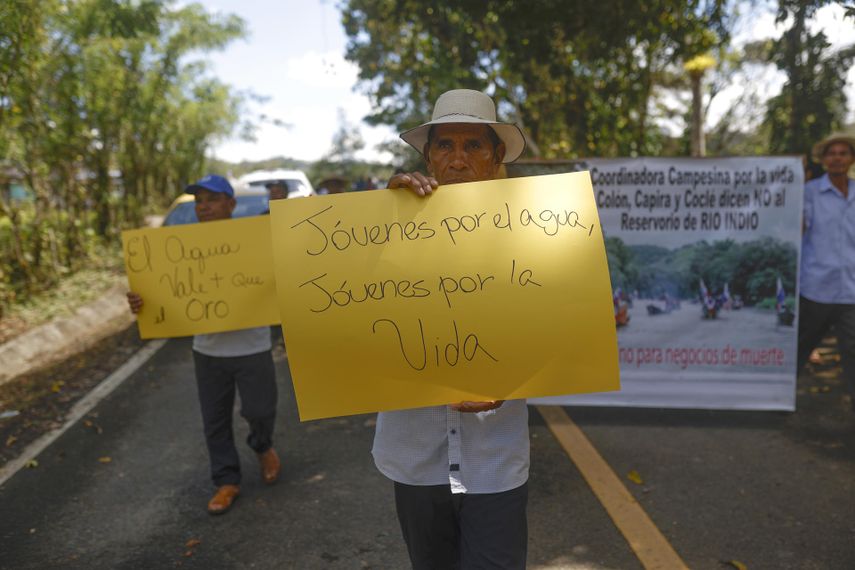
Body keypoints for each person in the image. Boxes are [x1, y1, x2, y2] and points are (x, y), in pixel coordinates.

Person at [373, 89, 529, 569]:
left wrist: (516, 379)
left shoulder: (538, 228)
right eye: (445, 146)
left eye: (473, 146)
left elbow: (558, 330)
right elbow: (351, 312)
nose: (457, 160)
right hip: (415, 455)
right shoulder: (383, 224)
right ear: (427, 155)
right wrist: (383, 221)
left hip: (495, 457)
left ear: (497, 155)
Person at [127, 174, 281, 514]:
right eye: (199, 201)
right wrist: (143, 304)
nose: (203, 206)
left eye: (211, 199)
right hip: (208, 352)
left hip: (252, 347)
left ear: (231, 203)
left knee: (260, 410)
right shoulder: (178, 248)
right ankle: (226, 481)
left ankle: (262, 444)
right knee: (215, 420)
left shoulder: (253, 241)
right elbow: (163, 291)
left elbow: (278, 278)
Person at [798, 133, 855, 410]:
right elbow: (797, 229)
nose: (837, 158)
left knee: (853, 352)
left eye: (843, 153)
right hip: (817, 287)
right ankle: (777, 402)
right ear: (823, 160)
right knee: (801, 347)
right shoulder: (809, 192)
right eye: (832, 153)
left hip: (851, 291)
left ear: (851, 159)